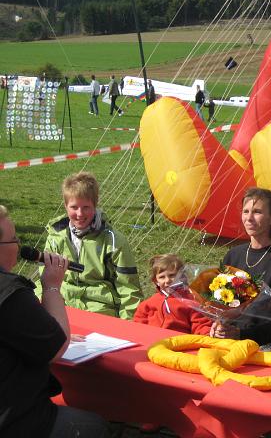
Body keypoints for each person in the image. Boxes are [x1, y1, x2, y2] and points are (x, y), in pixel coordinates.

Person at [0, 204, 109, 437]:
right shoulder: (9, 292)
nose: (19, 245)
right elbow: (56, 347)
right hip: (14, 422)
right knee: (95, 426)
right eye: (13, 239)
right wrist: (51, 286)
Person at [44, 172, 143, 320]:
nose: (80, 214)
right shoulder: (55, 237)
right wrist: (42, 308)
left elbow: (130, 290)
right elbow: (43, 279)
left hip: (101, 312)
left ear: (95, 205)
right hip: (63, 309)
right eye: (74, 207)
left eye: (86, 207)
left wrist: (128, 327)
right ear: (65, 206)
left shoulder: (114, 241)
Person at [211, 188, 271, 345]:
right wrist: (218, 323)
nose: (249, 218)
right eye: (245, 211)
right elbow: (219, 302)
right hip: (227, 339)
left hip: (262, 345)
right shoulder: (233, 255)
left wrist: (242, 334)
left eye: (257, 212)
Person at [134, 254, 212, 334]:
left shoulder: (190, 301)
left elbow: (201, 324)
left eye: (172, 275)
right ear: (156, 281)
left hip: (179, 342)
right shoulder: (148, 304)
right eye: (162, 277)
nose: (167, 280)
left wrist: (208, 333)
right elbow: (138, 324)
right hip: (154, 341)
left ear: (182, 276)